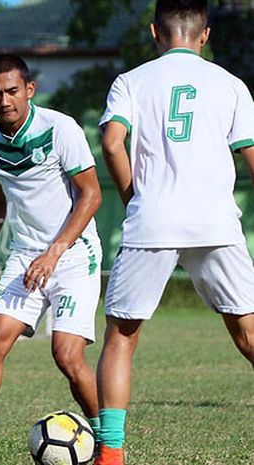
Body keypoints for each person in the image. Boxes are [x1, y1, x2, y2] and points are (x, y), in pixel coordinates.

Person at [94, 1, 254, 463]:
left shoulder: (131, 81)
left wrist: (133, 197)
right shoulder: (230, 84)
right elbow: (249, 151)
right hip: (216, 221)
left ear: (153, 32)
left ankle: (112, 455)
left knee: (123, 336)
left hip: (153, 219)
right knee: (246, 330)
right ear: (204, 35)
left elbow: (110, 141)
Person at [0, 54, 103, 458]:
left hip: (73, 254)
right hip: (24, 255)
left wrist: (55, 252)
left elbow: (91, 195)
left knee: (66, 355)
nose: (4, 100)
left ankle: (108, 439)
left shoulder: (60, 128)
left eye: (12, 90)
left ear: (29, 89)